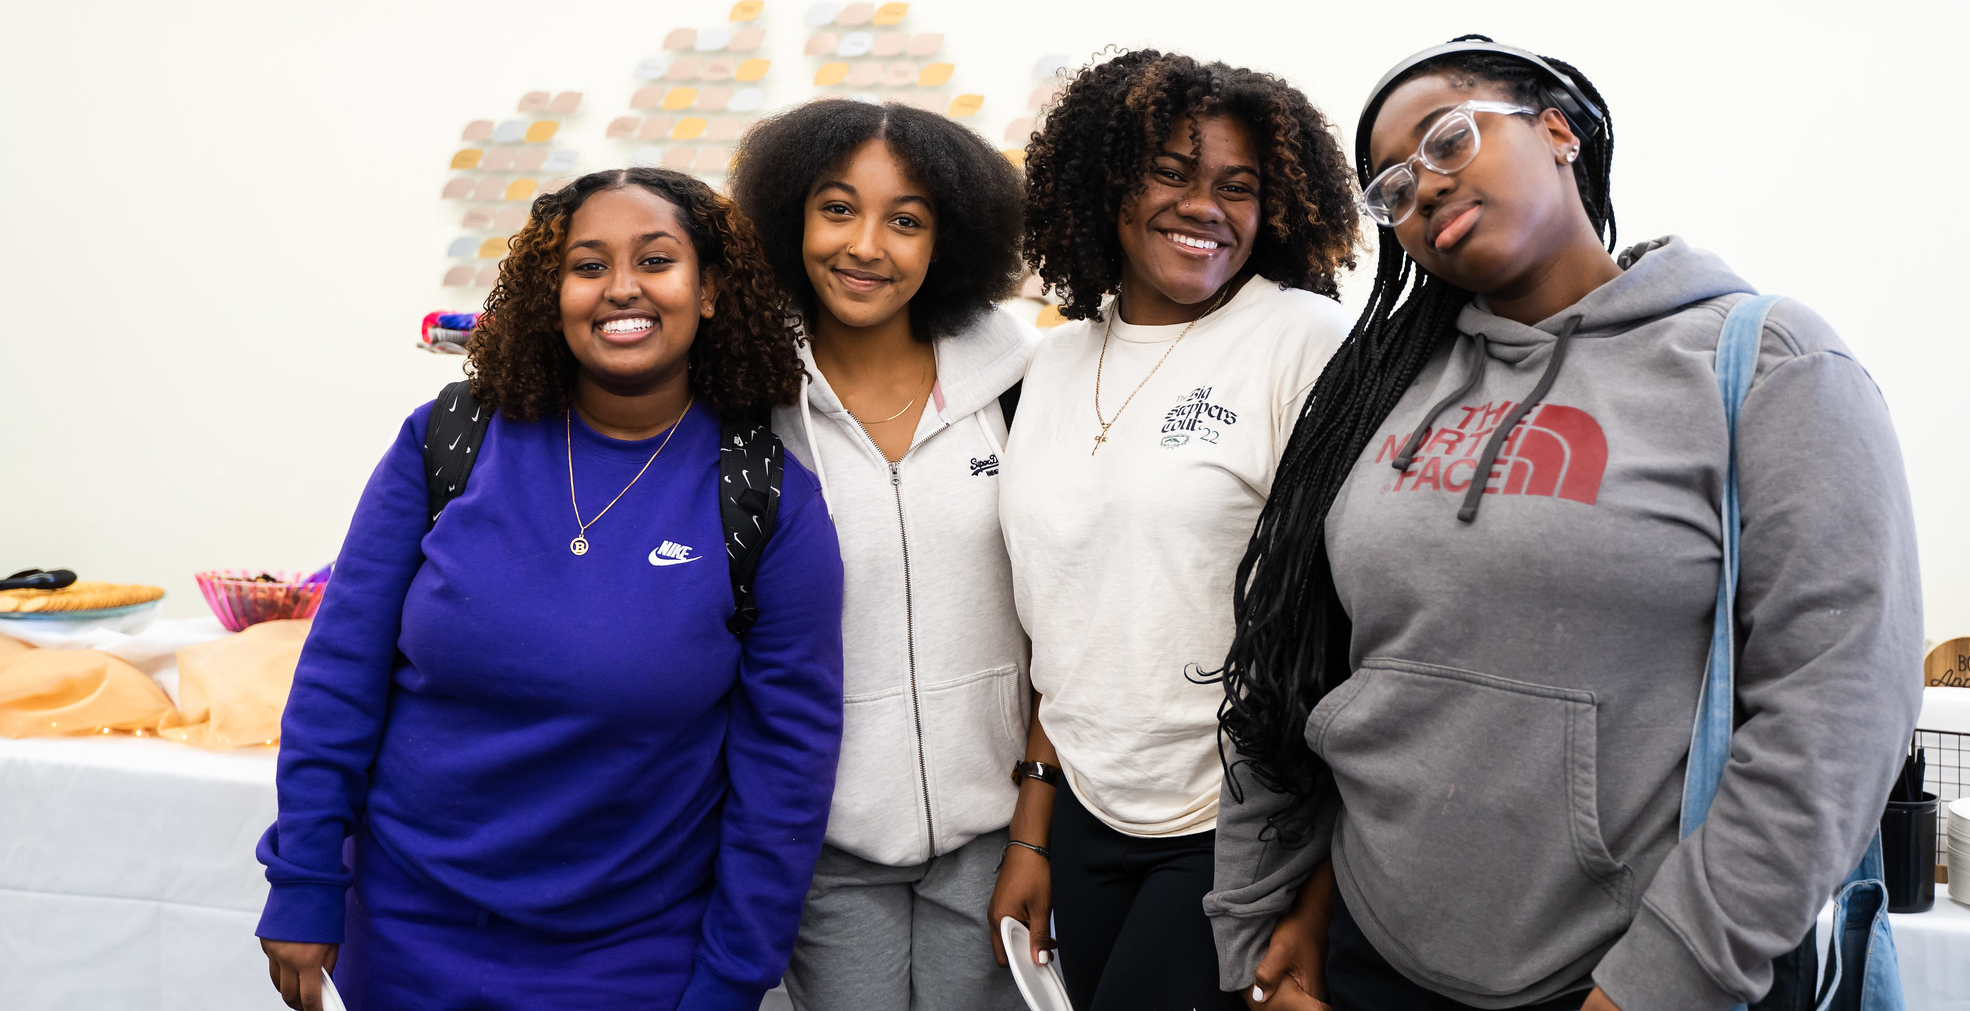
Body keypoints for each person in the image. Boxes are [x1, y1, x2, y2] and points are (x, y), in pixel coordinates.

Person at [1207, 36, 1921, 1011]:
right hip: (1369, 959)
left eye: (1446, 140)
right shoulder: (1375, 393)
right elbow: (1305, 674)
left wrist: (1663, 979)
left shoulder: (1765, 364)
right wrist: (1259, 919)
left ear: (1556, 131)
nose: (1422, 187)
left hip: (1623, 976)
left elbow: (1833, 713)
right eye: (1392, 187)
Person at [254, 167, 845, 1011]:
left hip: (630, 956)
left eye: (656, 260)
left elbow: (786, 769)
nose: (622, 289)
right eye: (589, 265)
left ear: (709, 290)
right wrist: (305, 877)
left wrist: (731, 976)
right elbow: (339, 675)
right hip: (403, 932)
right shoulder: (449, 440)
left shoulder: (761, 494)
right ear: (552, 293)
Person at [990, 50, 1360, 1011]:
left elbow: (1359, 627)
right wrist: (1036, 824)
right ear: (1105, 178)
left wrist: (1316, 898)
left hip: (1234, 822)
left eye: (1238, 187)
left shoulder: (1299, 341)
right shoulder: (1055, 362)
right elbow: (1066, 622)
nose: (1206, 206)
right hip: (1086, 813)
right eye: (1172, 171)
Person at [729, 99, 1034, 1011]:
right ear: (791, 217)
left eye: (906, 220)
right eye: (837, 208)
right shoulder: (744, 404)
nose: (867, 245)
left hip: (997, 830)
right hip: (823, 841)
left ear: (949, 242)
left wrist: (1037, 822)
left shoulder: (1018, 392)